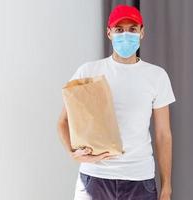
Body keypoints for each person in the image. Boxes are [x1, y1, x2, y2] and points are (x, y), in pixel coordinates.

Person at [57, 4, 176, 200]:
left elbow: (164, 135)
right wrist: (73, 152)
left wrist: (166, 187)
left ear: (142, 32)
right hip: (95, 178)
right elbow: (62, 121)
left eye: (132, 29)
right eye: (119, 30)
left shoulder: (156, 76)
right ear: (109, 33)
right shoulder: (89, 71)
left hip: (140, 179)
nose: (126, 35)